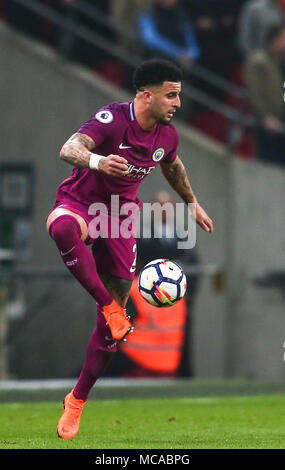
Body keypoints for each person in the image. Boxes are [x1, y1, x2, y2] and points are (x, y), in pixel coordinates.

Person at [46, 59, 213, 439]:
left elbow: (171, 165)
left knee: (111, 328)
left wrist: (191, 202)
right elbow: (68, 148)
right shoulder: (112, 119)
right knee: (61, 228)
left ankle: (76, 401)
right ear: (145, 95)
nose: (177, 103)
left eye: (179, 95)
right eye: (171, 95)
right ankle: (107, 303)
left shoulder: (167, 135)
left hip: (121, 218)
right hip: (81, 204)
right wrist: (99, 161)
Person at [245, 23, 285, 165]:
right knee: (268, 160)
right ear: (275, 39)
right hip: (266, 124)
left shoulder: (279, 62)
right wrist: (265, 117)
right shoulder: (258, 61)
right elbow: (255, 93)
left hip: (280, 121)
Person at [138, 0, 200, 71]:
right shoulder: (148, 14)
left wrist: (191, 54)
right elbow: (151, 39)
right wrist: (178, 54)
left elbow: (190, 38)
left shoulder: (182, 15)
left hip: (181, 66)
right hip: (158, 63)